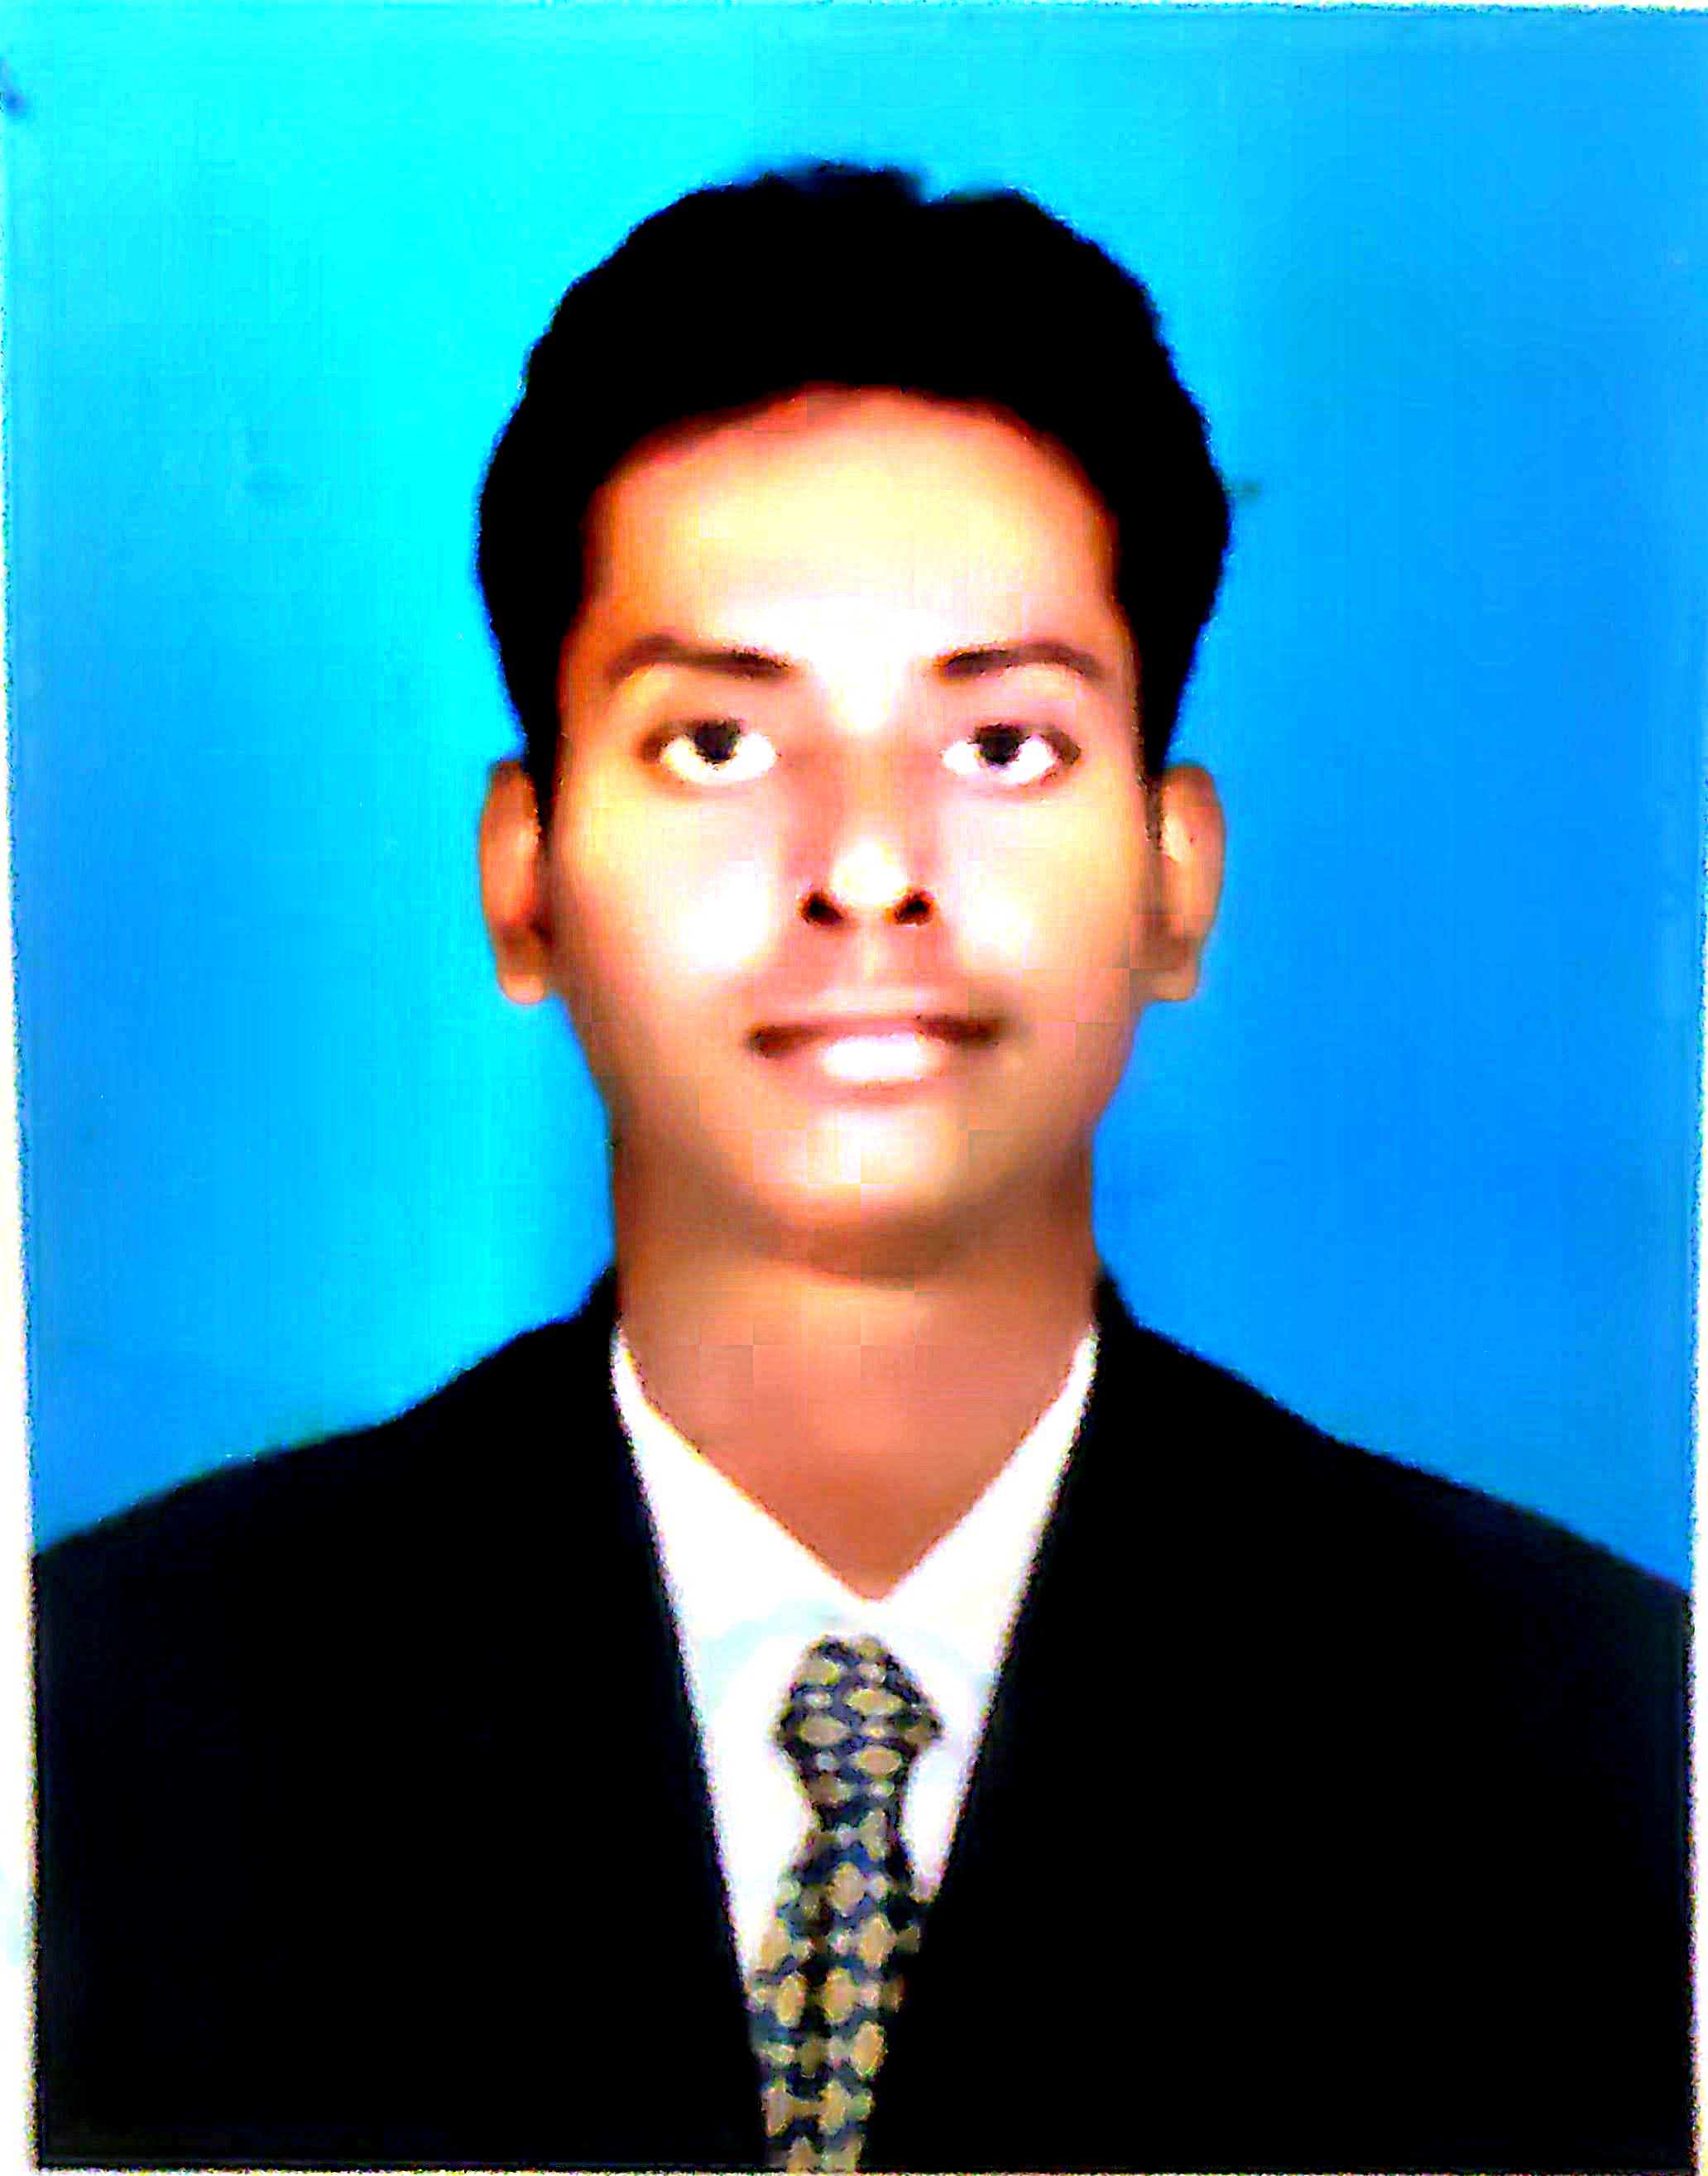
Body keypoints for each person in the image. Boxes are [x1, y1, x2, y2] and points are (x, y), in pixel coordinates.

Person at [35, 164, 1689, 2174]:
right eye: (719, 745)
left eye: (1002, 746)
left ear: (1175, 876)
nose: (871, 867)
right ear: (524, 875)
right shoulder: (94, 1726)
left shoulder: (1609, 1748)